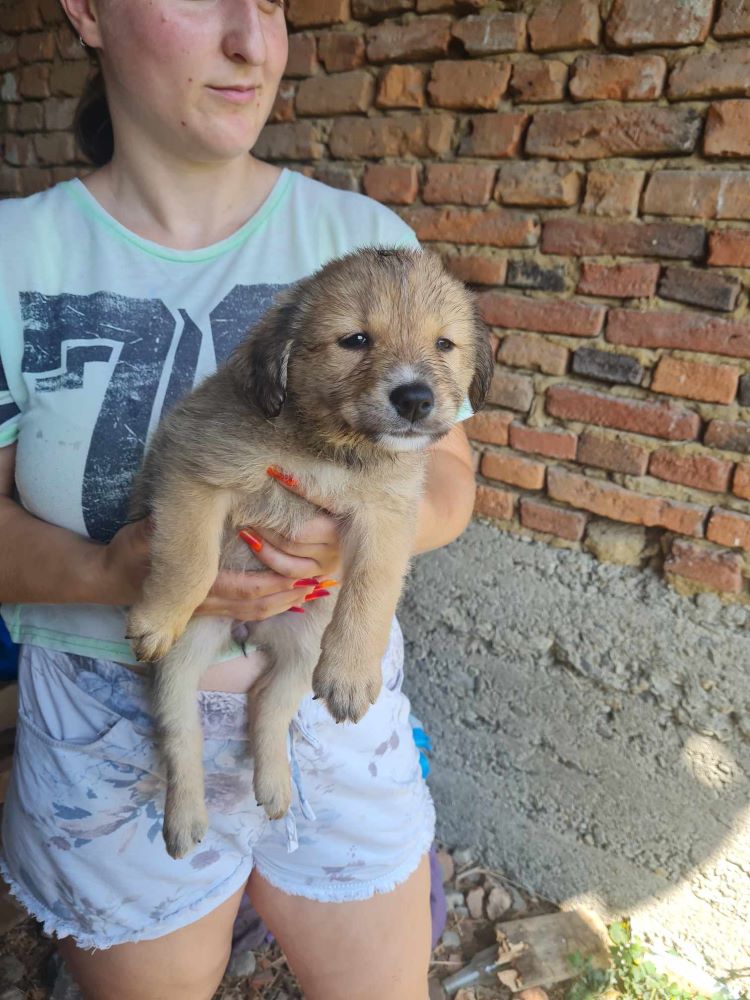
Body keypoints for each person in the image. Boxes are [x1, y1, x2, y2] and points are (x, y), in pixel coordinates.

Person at [0, 1, 477, 997]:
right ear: (86, 11)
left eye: (271, 1)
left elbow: (448, 476)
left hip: (331, 717)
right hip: (108, 725)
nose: (250, 40)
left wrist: (349, 551)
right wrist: (111, 570)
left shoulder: (371, 243)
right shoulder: (14, 256)